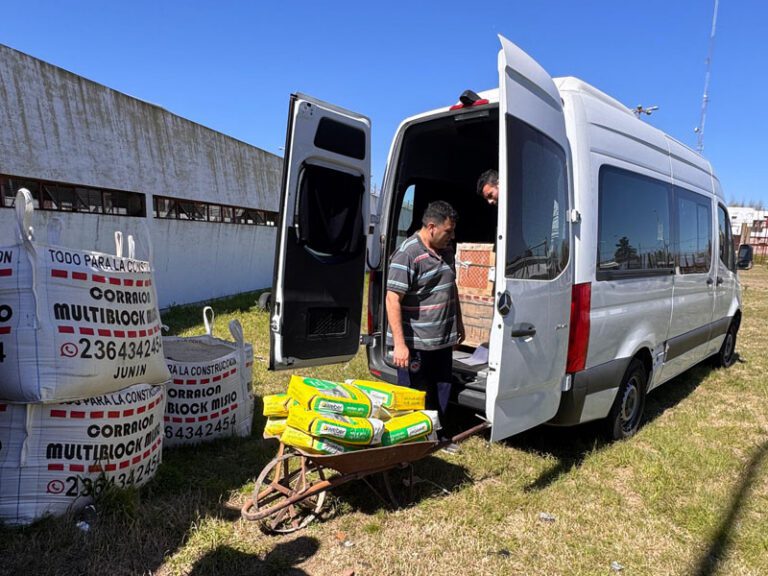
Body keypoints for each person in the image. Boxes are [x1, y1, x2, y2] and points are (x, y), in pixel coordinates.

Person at [385, 200, 464, 441]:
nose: (451, 236)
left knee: (441, 387)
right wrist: (400, 344)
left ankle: (436, 436)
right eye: (448, 231)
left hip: (441, 339)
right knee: (415, 393)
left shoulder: (447, 251)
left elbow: (451, 288)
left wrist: (458, 324)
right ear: (431, 227)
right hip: (415, 342)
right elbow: (392, 299)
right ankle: (410, 441)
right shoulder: (407, 254)